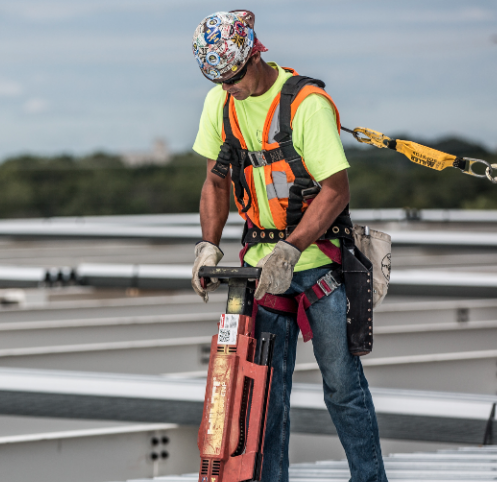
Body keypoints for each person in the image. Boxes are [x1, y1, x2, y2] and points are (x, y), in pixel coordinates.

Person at [189, 10, 388, 482]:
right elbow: (217, 182)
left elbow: (335, 190)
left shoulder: (305, 105)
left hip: (320, 269)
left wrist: (292, 249)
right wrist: (207, 245)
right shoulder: (220, 105)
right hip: (261, 275)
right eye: (218, 80)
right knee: (264, 393)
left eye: (233, 76)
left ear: (255, 54)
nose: (228, 87)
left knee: (342, 387)